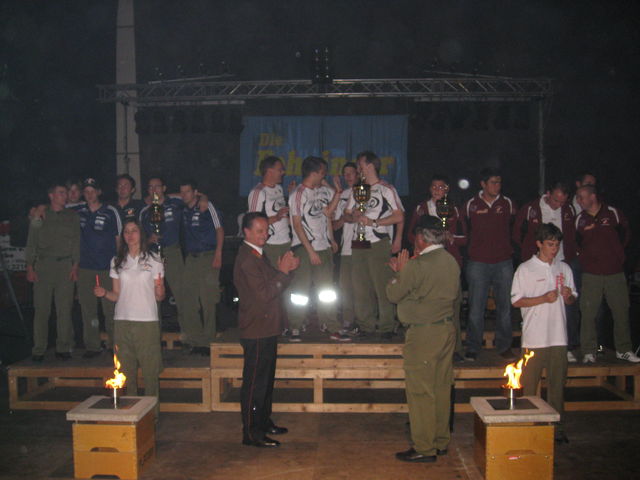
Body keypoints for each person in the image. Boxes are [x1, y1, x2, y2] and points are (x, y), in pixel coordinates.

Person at [387, 216, 460, 463]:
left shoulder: (418, 265)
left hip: (423, 333)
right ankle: (440, 441)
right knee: (441, 387)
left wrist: (399, 273)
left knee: (421, 391)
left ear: (420, 238)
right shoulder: (450, 261)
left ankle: (424, 447)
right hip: (446, 330)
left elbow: (394, 294)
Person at [233, 212, 300, 447]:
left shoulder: (257, 255)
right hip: (257, 328)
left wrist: (288, 270)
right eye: (260, 231)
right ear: (247, 232)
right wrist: (283, 272)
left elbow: (275, 282)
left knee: (265, 380)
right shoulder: (247, 259)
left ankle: (262, 421)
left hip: (266, 326)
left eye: (266, 230)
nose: (265, 235)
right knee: (255, 383)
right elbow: (265, 294)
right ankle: (252, 431)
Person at [511, 223, 577, 443]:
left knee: (557, 386)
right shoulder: (525, 269)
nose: (554, 249)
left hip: (558, 337)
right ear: (539, 244)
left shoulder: (564, 268)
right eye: (550, 244)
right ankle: (528, 428)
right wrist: (542, 298)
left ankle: (557, 429)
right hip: (534, 338)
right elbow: (516, 301)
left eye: (557, 245)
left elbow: (572, 299)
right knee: (529, 387)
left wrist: (568, 296)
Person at [94, 219, 165, 413]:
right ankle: (130, 414)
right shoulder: (117, 261)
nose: (130, 235)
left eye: (134, 231)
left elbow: (160, 296)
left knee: (150, 373)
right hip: (122, 321)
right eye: (126, 231)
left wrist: (160, 290)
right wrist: (104, 293)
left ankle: (152, 416)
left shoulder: (154, 260)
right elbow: (116, 295)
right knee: (126, 372)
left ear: (141, 234)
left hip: (146, 321)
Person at [513, 180, 579, 361]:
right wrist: (527, 254)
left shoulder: (569, 210)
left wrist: (573, 253)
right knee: (540, 305)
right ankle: (535, 346)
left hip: (562, 261)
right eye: (556, 200)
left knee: (566, 304)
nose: (559, 205)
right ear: (548, 194)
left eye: (562, 202)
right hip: (537, 263)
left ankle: (566, 346)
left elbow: (574, 234)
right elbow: (517, 232)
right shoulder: (531, 208)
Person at [574, 185, 640, 363]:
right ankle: (589, 351)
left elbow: (626, 236)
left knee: (621, 311)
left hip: (614, 272)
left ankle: (623, 349)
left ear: (593, 197)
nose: (579, 201)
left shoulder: (613, 213)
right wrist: (585, 259)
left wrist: (618, 257)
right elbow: (576, 243)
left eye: (581, 197)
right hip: (591, 274)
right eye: (578, 197)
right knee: (588, 313)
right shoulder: (580, 219)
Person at [344, 151, 404, 339]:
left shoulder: (386, 189)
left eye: (360, 164)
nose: (358, 168)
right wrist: (353, 216)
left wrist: (375, 223)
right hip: (359, 241)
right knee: (360, 285)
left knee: (382, 284)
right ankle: (365, 324)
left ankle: (387, 325)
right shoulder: (357, 189)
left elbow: (399, 215)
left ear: (370, 165)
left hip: (378, 241)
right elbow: (346, 214)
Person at [406, 174, 467, 358]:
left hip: (449, 263)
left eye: (441, 187)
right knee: (425, 305)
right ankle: (427, 347)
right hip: (426, 265)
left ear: (447, 189)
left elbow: (465, 238)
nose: (437, 190)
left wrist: (451, 238)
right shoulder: (422, 209)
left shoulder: (455, 210)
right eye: (434, 187)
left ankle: (455, 349)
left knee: (452, 308)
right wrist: (425, 241)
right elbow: (410, 235)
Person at [287, 156, 343, 342]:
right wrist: (310, 251)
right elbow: (296, 224)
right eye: (322, 172)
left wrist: (331, 238)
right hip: (304, 248)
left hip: (324, 246)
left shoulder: (320, 192)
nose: (324, 176)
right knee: (300, 290)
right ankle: (295, 326)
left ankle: (331, 326)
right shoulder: (297, 194)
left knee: (327, 291)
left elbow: (327, 214)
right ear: (315, 172)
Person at [463, 167, 517, 361]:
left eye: (499, 182)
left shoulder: (508, 203)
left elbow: (514, 228)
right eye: (493, 182)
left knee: (505, 307)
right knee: (476, 308)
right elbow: (465, 229)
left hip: (503, 262)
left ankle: (504, 346)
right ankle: (473, 347)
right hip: (478, 263)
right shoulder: (471, 205)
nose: (497, 186)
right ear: (483, 184)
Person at [25, 182, 80, 362]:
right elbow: (32, 241)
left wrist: (75, 266)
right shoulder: (41, 214)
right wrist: (30, 266)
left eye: (66, 193)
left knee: (64, 309)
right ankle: (39, 348)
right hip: (44, 266)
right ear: (51, 195)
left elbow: (76, 242)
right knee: (42, 310)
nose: (65, 196)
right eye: (61, 193)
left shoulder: (72, 216)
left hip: (65, 266)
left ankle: (63, 347)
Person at [76, 178, 122, 357]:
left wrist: (119, 263)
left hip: (106, 267)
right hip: (85, 268)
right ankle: (92, 346)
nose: (89, 194)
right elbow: (58, 206)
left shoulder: (110, 211)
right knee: (88, 309)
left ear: (99, 192)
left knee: (110, 308)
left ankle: (113, 345)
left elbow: (118, 238)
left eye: (92, 191)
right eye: (86, 191)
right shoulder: (79, 212)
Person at [139, 177, 187, 341]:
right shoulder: (145, 212)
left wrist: (204, 199)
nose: (154, 190)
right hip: (153, 255)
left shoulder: (175, 204)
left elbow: (194, 196)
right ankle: (153, 338)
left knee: (181, 295)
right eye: (150, 187)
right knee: (153, 298)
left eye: (157, 186)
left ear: (164, 188)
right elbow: (138, 238)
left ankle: (188, 337)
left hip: (172, 252)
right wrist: (148, 240)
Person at [180, 179, 224, 354]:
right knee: (190, 299)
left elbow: (219, 229)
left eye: (187, 191)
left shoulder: (207, 206)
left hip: (208, 256)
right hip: (191, 258)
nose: (184, 195)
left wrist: (218, 254)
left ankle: (208, 342)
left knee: (208, 300)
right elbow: (165, 196)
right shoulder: (184, 208)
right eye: (182, 192)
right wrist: (152, 196)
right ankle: (196, 340)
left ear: (195, 192)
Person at [247, 156, 291, 263]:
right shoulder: (258, 192)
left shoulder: (279, 189)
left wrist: (291, 195)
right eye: (280, 170)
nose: (283, 172)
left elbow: (283, 214)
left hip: (286, 241)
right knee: (272, 273)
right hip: (270, 244)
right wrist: (276, 217)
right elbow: (252, 223)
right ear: (270, 172)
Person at [332, 162, 358, 331]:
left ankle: (365, 320)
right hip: (347, 246)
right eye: (345, 173)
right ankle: (349, 320)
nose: (348, 176)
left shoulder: (367, 191)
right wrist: (344, 218)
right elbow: (335, 225)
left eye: (351, 173)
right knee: (346, 286)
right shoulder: (342, 196)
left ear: (358, 174)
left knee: (362, 286)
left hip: (365, 245)